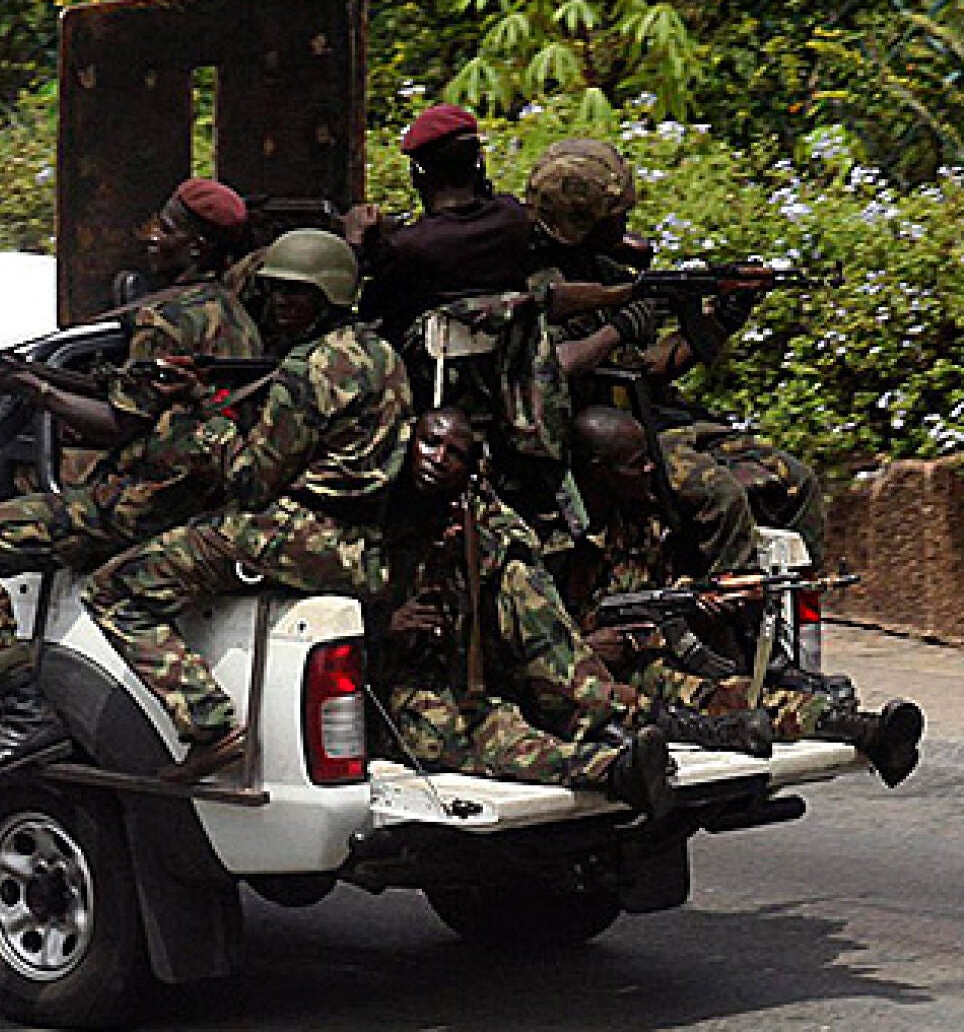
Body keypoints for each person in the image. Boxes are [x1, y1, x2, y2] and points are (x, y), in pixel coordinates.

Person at [0, 178, 262, 778]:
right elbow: (133, 393)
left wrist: (28, 388)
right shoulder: (232, 313)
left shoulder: (164, 317)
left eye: (164, 228)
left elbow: (117, 423)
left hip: (144, 501)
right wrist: (32, 373)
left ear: (193, 246)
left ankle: (24, 713)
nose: (150, 239)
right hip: (201, 497)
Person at [80, 230, 410, 782]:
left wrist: (200, 411)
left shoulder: (307, 370)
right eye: (275, 291)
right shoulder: (382, 355)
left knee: (114, 590)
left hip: (300, 534)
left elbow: (251, 480)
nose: (281, 304)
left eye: (296, 294)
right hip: (365, 540)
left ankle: (210, 726)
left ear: (328, 296)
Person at [556, 406, 923, 785]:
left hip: (639, 660)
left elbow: (646, 589)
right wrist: (587, 648)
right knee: (680, 700)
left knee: (733, 693)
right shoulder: (557, 541)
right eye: (636, 463)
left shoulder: (636, 519)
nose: (651, 468)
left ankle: (866, 731)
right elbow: (528, 637)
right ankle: (716, 732)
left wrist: (691, 601)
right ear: (598, 468)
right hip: (577, 676)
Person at [527, 139, 826, 568]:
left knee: (798, 481)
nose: (625, 224)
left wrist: (721, 318)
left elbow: (649, 368)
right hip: (606, 441)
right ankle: (732, 614)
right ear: (582, 221)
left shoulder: (611, 275)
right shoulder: (535, 284)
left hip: (659, 420)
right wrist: (619, 327)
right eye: (615, 217)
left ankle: (797, 620)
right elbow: (554, 365)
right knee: (720, 496)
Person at [369, 408, 677, 817]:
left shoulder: (466, 507)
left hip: (458, 676)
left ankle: (606, 735)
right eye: (430, 444)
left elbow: (513, 538)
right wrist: (384, 625)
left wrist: (464, 550)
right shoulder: (372, 510)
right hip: (391, 685)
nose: (439, 459)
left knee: (517, 581)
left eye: (455, 453)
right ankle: (610, 769)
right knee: (476, 738)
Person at [350, 103, 533, 349]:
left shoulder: (408, 248)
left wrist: (355, 243)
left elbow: (367, 312)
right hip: (512, 371)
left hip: (429, 378)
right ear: (477, 165)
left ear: (417, 174)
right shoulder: (515, 218)